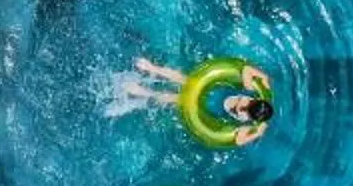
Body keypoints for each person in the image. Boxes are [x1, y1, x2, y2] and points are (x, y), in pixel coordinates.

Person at [109, 56, 274, 146]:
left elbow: (239, 140)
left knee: (177, 99)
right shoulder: (249, 89)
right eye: (247, 102)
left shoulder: (246, 123)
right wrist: (263, 77)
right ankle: (153, 68)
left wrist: (258, 133)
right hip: (215, 88)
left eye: (244, 111)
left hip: (209, 110)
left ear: (250, 118)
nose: (241, 106)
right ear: (254, 98)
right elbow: (247, 69)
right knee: (186, 80)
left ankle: (144, 92)